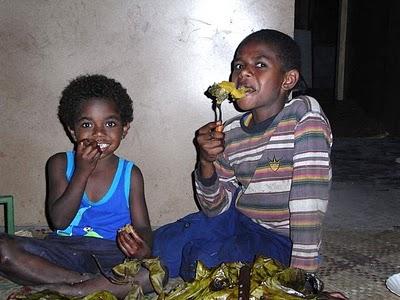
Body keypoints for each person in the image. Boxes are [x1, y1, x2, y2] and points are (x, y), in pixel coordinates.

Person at [153, 29, 333, 280]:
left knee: (208, 259)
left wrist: (302, 277)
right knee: (165, 241)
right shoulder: (231, 131)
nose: (243, 73)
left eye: (260, 64)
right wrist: (206, 161)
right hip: (238, 220)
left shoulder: (304, 116)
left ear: (288, 80)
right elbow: (215, 210)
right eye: (238, 65)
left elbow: (309, 201)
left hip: (283, 241)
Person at [0, 74, 158, 298]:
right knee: (3, 248)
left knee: (153, 273)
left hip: (112, 252)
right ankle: (87, 286)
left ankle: (70, 290)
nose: (99, 132)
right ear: (73, 131)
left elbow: (142, 226)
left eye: (110, 123)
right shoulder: (59, 163)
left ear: (124, 129)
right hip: (64, 249)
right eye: (87, 124)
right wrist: (82, 172)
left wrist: (142, 247)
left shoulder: (130, 174)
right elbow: (59, 220)